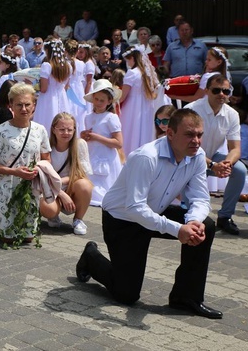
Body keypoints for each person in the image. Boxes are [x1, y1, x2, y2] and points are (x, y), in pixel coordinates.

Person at [75, 109, 222, 320]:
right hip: (123, 220)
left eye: (199, 134)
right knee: (126, 294)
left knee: (205, 226)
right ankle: (90, 257)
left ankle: (186, 297)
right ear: (170, 133)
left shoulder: (197, 156)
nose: (196, 141)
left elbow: (200, 198)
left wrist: (193, 222)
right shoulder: (146, 157)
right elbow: (135, 207)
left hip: (154, 212)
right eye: (189, 134)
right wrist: (178, 229)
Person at [0, 83, 51, 242]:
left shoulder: (40, 130)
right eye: (19, 105)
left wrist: (39, 170)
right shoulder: (0, 131)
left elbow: (46, 159)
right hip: (7, 188)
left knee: (28, 238)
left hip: (30, 189)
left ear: (34, 105)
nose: (24, 109)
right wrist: (14, 171)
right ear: (11, 106)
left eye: (27, 104)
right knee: (7, 239)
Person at [189, 75, 246, 235]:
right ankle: (190, 216)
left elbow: (235, 148)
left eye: (226, 91)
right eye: (216, 90)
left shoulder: (232, 114)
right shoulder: (193, 110)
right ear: (206, 91)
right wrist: (214, 165)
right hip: (189, 158)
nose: (222, 94)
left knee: (240, 170)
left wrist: (226, 164)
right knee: (188, 210)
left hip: (212, 158)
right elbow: (189, 146)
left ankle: (225, 217)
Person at [45, 113, 93, 235]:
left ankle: (78, 219)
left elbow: (82, 172)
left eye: (69, 129)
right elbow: (42, 175)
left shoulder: (79, 144)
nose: (66, 133)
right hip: (50, 188)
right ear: (53, 129)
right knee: (49, 210)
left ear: (74, 130)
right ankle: (53, 214)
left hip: (69, 185)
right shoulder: (47, 146)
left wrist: (60, 182)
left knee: (85, 185)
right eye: (61, 129)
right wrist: (59, 191)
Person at [82, 80, 123, 206]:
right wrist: (84, 136)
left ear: (109, 101)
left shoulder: (111, 118)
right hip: (92, 153)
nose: (98, 103)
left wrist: (96, 137)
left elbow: (118, 143)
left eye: (102, 100)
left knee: (104, 184)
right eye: (96, 99)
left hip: (106, 156)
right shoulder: (88, 117)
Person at [120, 47, 161, 157]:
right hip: (146, 105)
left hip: (132, 106)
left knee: (129, 130)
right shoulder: (147, 74)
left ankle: (127, 154)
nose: (128, 63)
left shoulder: (132, 73)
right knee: (142, 129)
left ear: (132, 58)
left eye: (128, 60)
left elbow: (123, 96)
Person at [34, 41, 72, 134]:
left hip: (48, 98)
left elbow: (44, 89)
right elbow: (66, 86)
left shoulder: (47, 66)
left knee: (46, 120)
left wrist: (35, 86)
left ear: (48, 51)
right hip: (62, 96)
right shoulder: (68, 66)